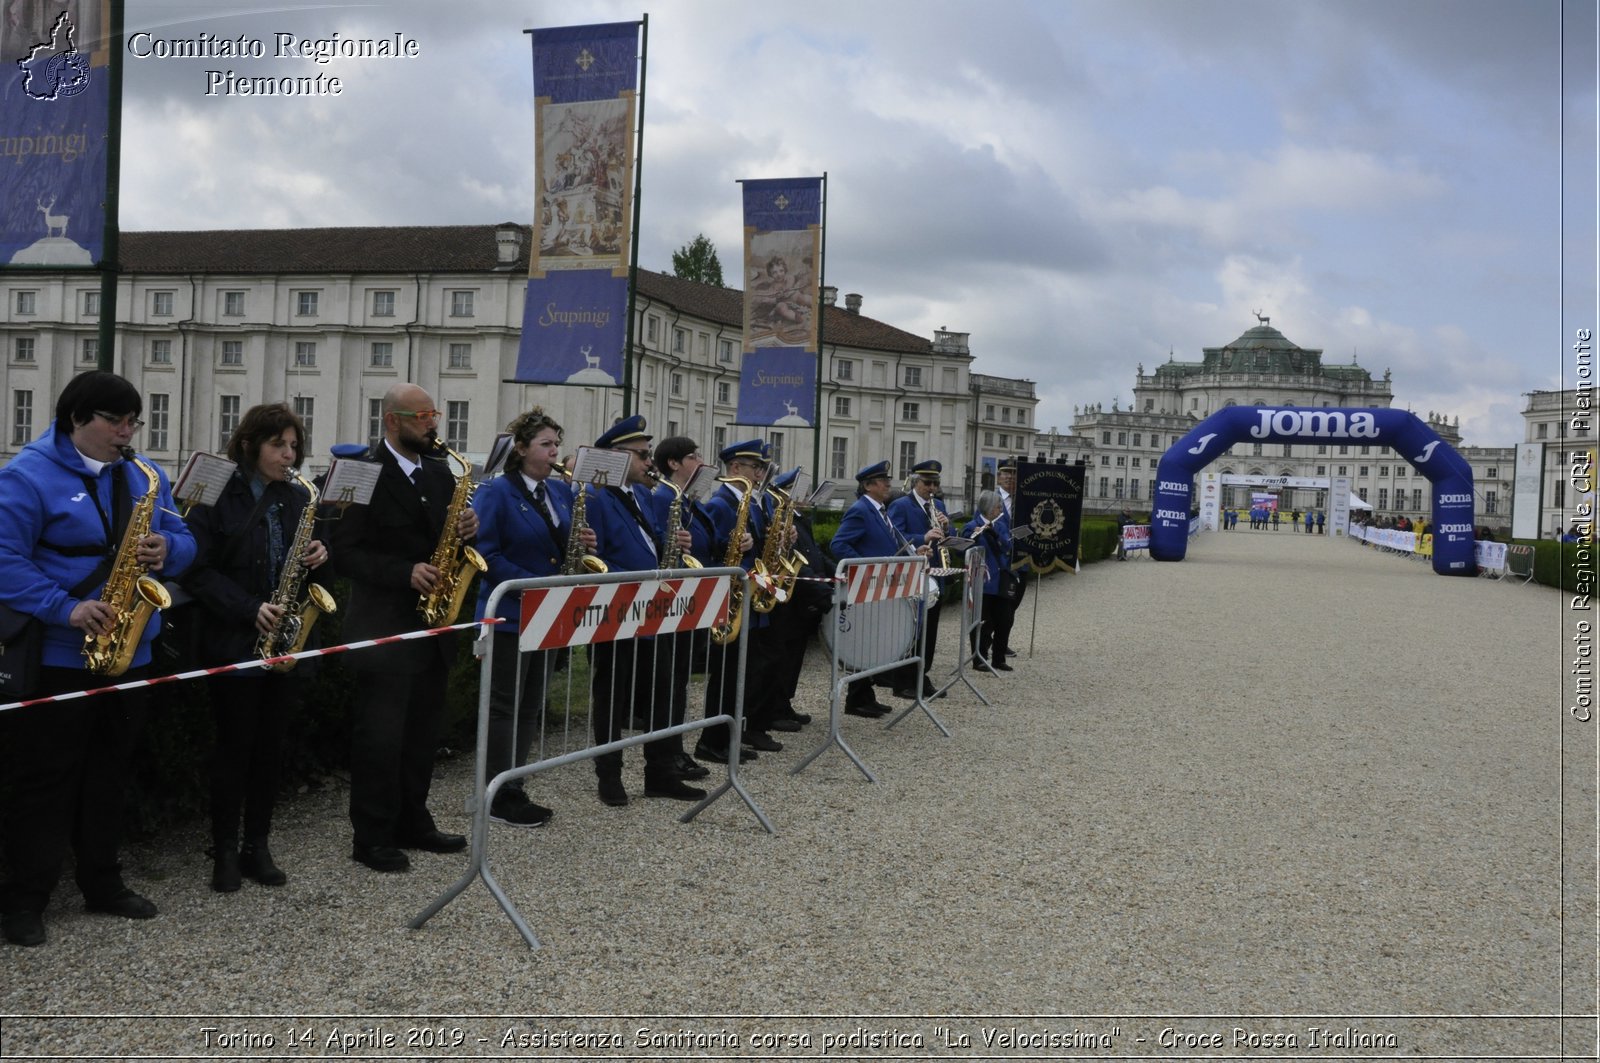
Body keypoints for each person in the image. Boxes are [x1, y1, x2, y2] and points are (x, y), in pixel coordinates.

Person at [0, 371, 197, 947]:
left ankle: (102, 883)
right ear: (76, 420)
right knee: (45, 779)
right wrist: (66, 608)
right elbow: (5, 561)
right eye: (116, 421)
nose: (127, 432)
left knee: (110, 773)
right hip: (61, 654)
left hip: (131, 653)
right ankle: (25, 898)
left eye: (133, 421)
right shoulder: (26, 476)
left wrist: (170, 548)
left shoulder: (145, 474)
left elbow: (185, 539)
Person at [181, 403, 330, 892]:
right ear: (249, 444)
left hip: (284, 642)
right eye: (277, 445)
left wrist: (319, 555)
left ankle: (257, 846)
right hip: (234, 640)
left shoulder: (294, 497)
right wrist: (248, 608)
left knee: (269, 750)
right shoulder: (216, 494)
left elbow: (302, 566)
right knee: (234, 750)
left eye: (293, 447)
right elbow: (196, 570)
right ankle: (223, 850)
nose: (288, 455)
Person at [332, 382, 476, 873]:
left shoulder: (441, 475)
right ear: (392, 421)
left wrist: (463, 531)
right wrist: (404, 572)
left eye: (433, 414)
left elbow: (441, 538)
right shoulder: (363, 473)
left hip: (433, 627)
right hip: (384, 627)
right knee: (380, 737)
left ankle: (414, 819)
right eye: (422, 416)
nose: (433, 423)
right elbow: (345, 552)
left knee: (421, 733)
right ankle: (371, 836)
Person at [583, 415, 702, 806]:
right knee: (612, 696)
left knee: (664, 693)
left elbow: (652, 543)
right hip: (617, 610)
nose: (649, 462)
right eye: (641, 455)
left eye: (648, 454)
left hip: (655, 609)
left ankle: (661, 772)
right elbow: (591, 557)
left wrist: (676, 540)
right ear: (616, 457)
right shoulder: (596, 496)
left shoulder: (644, 496)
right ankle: (609, 776)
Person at [469, 408, 578, 830]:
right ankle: (495, 792)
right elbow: (485, 554)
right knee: (503, 705)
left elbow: (562, 545)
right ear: (520, 449)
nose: (554, 452)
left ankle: (513, 783)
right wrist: (535, 583)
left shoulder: (559, 493)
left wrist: (583, 540)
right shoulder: (496, 492)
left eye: (556, 445)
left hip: (547, 614)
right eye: (546, 444)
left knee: (531, 704)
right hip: (510, 612)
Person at [693, 439, 778, 762]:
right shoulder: (722, 502)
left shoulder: (749, 501)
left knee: (743, 672)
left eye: (760, 468)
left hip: (746, 594)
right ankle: (711, 741)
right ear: (735, 468)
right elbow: (712, 548)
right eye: (753, 467)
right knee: (726, 673)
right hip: (730, 596)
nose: (759, 473)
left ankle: (728, 736)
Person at [647, 435, 713, 779]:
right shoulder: (663, 497)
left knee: (679, 682)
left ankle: (676, 750)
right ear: (673, 463)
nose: (700, 460)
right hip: (672, 600)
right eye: (693, 456)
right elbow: (658, 540)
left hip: (693, 598)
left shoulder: (686, 499)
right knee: (669, 683)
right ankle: (666, 754)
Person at [828, 460, 903, 716]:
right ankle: (857, 699)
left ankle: (864, 696)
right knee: (864, 643)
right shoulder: (861, 510)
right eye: (883, 480)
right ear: (868, 486)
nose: (888, 484)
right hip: (867, 586)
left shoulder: (880, 510)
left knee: (872, 643)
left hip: (879, 588)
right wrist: (866, 568)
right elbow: (839, 545)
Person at [887, 459, 948, 698]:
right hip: (912, 575)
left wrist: (947, 527)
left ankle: (922, 674)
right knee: (911, 630)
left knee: (929, 630)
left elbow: (943, 538)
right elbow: (895, 536)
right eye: (927, 483)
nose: (932, 488)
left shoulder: (939, 504)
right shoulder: (901, 505)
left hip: (934, 574)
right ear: (915, 482)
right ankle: (903, 682)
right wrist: (922, 537)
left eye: (935, 483)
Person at [961, 492, 1009, 669]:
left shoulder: (1001, 526)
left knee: (1004, 620)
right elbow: (962, 550)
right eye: (997, 507)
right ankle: (979, 657)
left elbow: (1007, 547)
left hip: (1000, 581)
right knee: (982, 622)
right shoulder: (971, 525)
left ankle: (999, 658)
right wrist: (974, 535)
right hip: (982, 581)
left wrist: (995, 534)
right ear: (989, 509)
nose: (1000, 510)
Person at [992, 457, 1026, 671]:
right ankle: (987, 646)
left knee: (1012, 607)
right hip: (998, 564)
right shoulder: (990, 498)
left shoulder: (1023, 500)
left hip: (1019, 562)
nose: (1010, 477)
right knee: (997, 608)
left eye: (1014, 473)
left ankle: (1002, 644)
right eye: (1006, 473)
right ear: (999, 476)